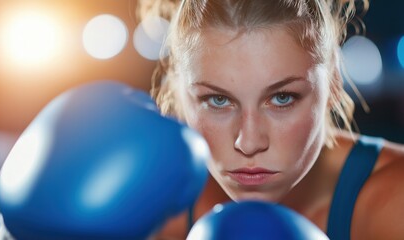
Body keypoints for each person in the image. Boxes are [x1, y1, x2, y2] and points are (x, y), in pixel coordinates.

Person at [137, 0, 404, 239]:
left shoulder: (394, 202)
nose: (249, 142)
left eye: (282, 98)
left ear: (333, 80)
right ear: (178, 91)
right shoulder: (158, 208)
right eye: (218, 100)